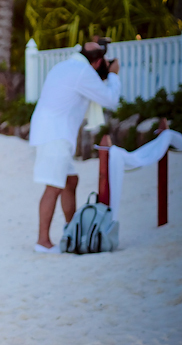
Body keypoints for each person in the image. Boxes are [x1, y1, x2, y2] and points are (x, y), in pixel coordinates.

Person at [29, 38, 121, 253]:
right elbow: (110, 99)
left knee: (70, 181)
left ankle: (71, 232)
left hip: (51, 133)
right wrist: (114, 75)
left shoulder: (67, 65)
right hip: (55, 135)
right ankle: (43, 242)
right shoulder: (83, 71)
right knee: (54, 185)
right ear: (98, 63)